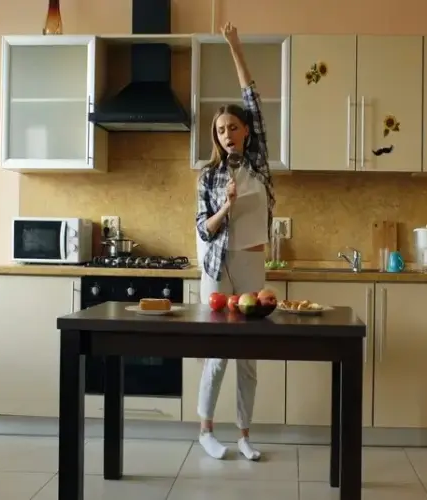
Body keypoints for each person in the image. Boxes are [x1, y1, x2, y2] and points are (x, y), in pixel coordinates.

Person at [194, 22, 275, 461]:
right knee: (218, 354)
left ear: (245, 131)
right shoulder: (208, 176)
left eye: (233, 127)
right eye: (220, 129)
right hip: (216, 266)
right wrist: (224, 207)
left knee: (248, 355)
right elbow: (202, 229)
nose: (227, 134)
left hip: (250, 265)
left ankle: (244, 434)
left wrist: (234, 46)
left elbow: (253, 99)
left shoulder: (259, 164)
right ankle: (206, 430)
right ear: (217, 137)